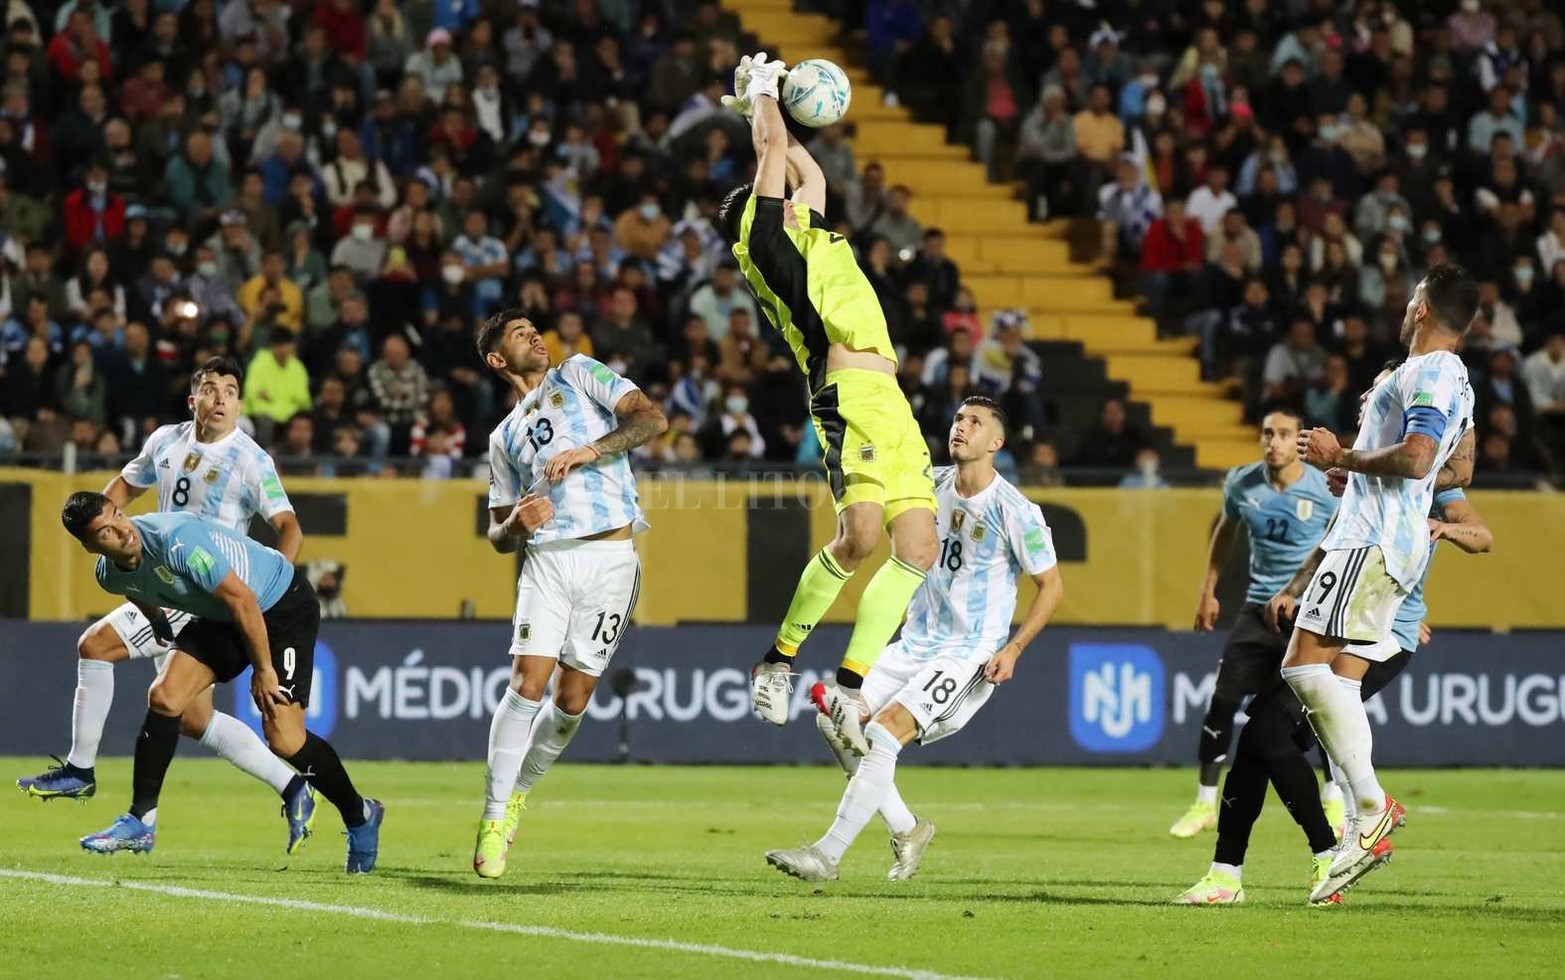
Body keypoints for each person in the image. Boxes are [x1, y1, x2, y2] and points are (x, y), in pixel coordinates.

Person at [1177, 369, 1487, 905]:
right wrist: (1294, 589)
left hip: (1378, 639)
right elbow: (1331, 546)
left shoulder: (1425, 479)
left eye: (1379, 390)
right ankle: (1231, 874)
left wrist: (1445, 529)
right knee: (1257, 741)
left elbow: (1482, 535)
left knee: (1266, 734)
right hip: (1345, 621)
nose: (1370, 397)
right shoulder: (1368, 480)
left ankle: (1343, 836)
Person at [717, 52, 938, 755]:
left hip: (892, 400)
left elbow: (802, 167)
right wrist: (760, 94)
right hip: (845, 395)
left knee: (919, 549)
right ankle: (777, 662)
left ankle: (848, 685)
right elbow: (776, 154)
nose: (792, 191)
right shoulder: (764, 240)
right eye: (775, 190)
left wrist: (772, 107)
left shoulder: (809, 231)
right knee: (860, 539)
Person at [17, 357, 320, 853]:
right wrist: (97, 525)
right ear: (193, 399)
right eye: (210, 388)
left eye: (229, 390)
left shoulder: (250, 458)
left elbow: (290, 527)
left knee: (96, 646)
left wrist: (274, 593)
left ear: (240, 403)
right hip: (160, 574)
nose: (220, 398)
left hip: (202, 586)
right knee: (192, 718)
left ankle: (81, 770)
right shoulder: (164, 441)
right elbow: (120, 490)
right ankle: (292, 786)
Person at [763, 398, 1064, 881]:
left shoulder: (1017, 511)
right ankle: (907, 828)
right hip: (914, 643)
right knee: (835, 723)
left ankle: (827, 856)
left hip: (969, 653)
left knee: (882, 733)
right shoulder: (928, 488)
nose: (961, 428)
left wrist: (1014, 648)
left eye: (975, 423)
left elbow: (1052, 587)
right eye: (959, 419)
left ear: (997, 443)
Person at [1287, 263, 1479, 903]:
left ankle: (1369, 809)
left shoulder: (1430, 371)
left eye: (1410, 299)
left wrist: (1344, 459)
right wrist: (1364, 475)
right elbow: (1460, 466)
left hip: (1369, 541)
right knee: (1338, 680)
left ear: (1423, 308)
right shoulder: (1450, 380)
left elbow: (1423, 458)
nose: (1404, 307)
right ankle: (1356, 828)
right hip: (1388, 539)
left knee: (1302, 669)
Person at [61, 494, 383, 872]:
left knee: (285, 739)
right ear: (90, 546)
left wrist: (264, 670)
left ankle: (360, 815)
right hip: (223, 615)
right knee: (165, 697)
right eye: (106, 532)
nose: (122, 531)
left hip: (280, 606)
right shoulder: (108, 574)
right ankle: (140, 821)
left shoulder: (175, 540)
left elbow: (243, 599)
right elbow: (139, 588)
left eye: (118, 516)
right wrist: (158, 623)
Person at [471, 309, 668, 879]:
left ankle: (516, 796)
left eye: (535, 327)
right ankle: (492, 817)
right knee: (526, 683)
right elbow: (497, 534)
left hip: (611, 561)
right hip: (548, 562)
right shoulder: (503, 438)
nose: (535, 334)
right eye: (519, 333)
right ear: (498, 359)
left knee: (572, 699)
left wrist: (592, 450)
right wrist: (516, 527)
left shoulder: (580, 374)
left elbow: (651, 420)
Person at [1169, 409, 1339, 839]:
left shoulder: (1326, 487)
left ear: (1299, 441)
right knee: (1223, 701)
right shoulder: (1242, 482)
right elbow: (1226, 532)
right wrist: (1208, 590)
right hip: (1257, 609)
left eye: (1284, 434)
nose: (1274, 442)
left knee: (1317, 708)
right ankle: (1204, 803)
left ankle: (1334, 796)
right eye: (1267, 433)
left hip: (1308, 613)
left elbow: (1347, 538)